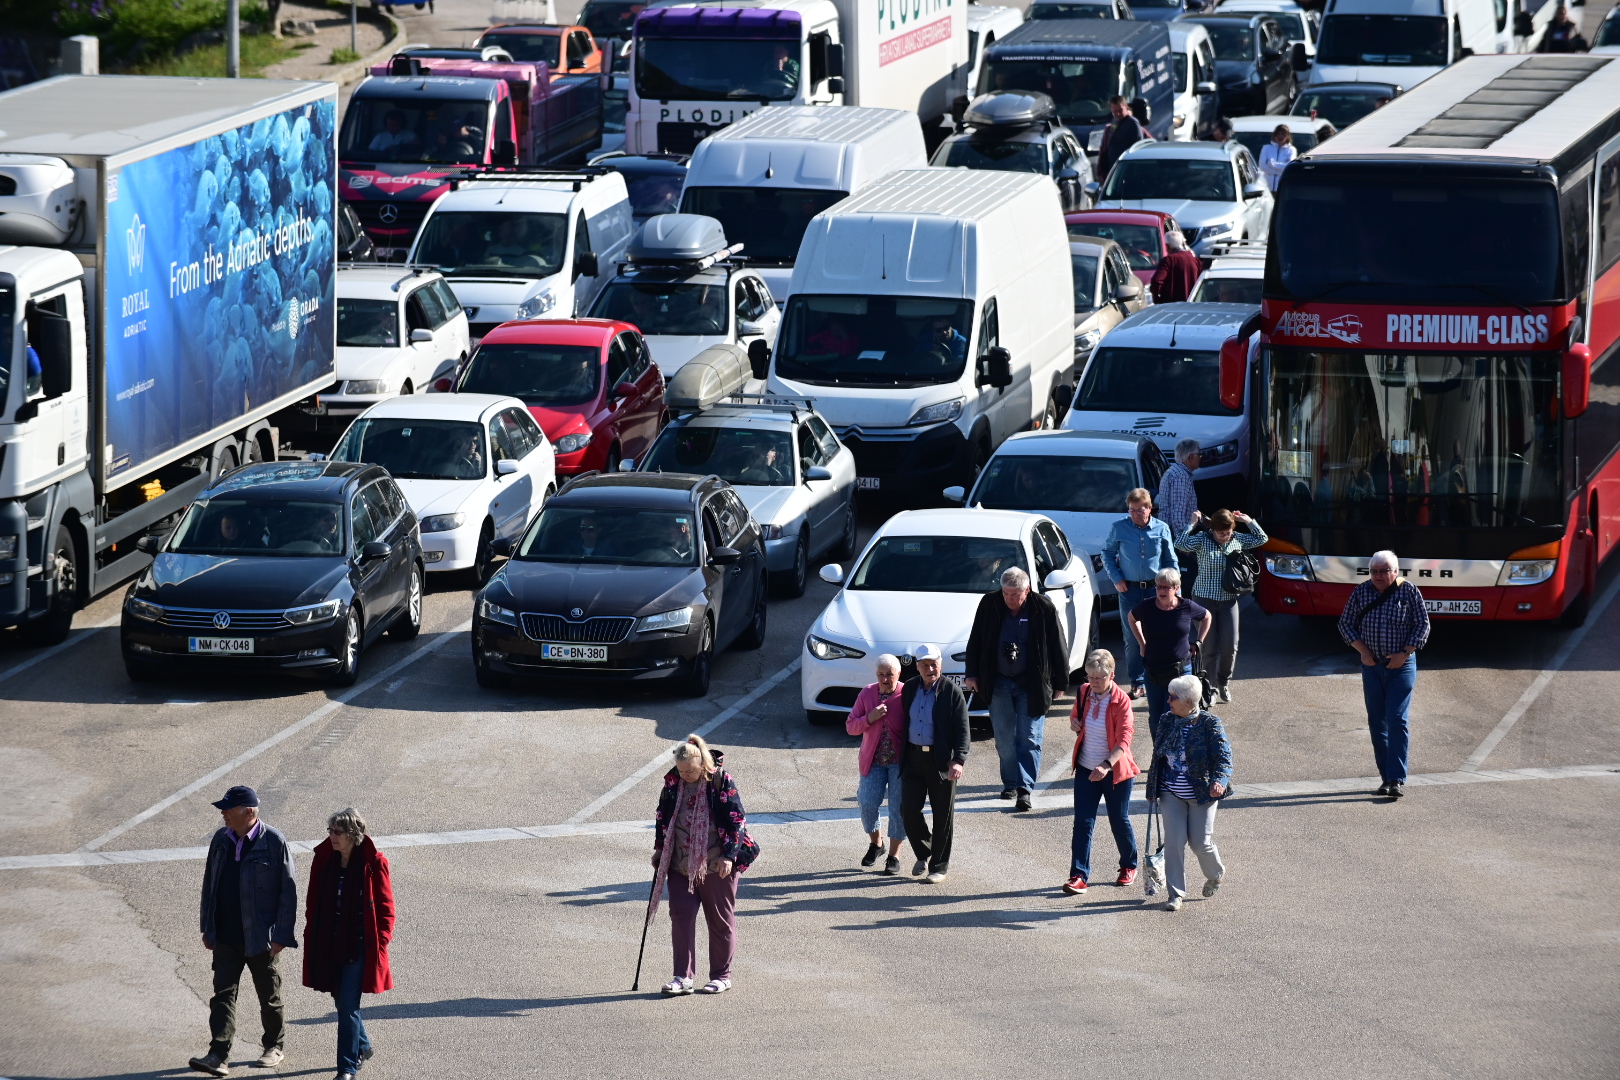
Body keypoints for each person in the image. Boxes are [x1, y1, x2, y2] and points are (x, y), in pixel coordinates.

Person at [190, 786, 297, 1078]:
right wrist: (207, 927)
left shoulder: (274, 842)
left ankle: (274, 1045)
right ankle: (218, 1055)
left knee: (269, 995)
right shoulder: (221, 840)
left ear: (248, 812)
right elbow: (209, 885)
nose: (223, 813)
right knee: (222, 995)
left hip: (261, 937)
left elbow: (288, 892)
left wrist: (281, 935)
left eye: (228, 808)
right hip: (225, 935)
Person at [650, 735, 759, 995]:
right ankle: (682, 977)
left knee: (720, 920)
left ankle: (721, 976)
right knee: (681, 916)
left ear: (702, 763)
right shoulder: (673, 782)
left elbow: (736, 820)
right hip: (679, 863)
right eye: (681, 770)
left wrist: (729, 856)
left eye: (690, 770)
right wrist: (659, 849)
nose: (685, 774)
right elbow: (662, 815)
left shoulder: (720, 781)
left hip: (715, 864)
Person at [964, 566, 1069, 812]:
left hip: (1031, 683)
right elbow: (976, 639)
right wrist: (972, 674)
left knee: (1030, 737)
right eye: (1006, 593)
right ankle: (1010, 782)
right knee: (1003, 737)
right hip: (999, 681)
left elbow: (1057, 644)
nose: (1010, 599)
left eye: (1015, 594)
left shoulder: (1043, 607)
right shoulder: (989, 604)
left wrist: (1061, 682)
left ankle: (1025, 789)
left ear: (1027, 590)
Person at [302, 808, 394, 1080]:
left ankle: (347, 1068)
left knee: (348, 1007)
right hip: (328, 941)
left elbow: (386, 907)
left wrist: (382, 941)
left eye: (337, 832)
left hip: (357, 945)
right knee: (341, 1001)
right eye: (329, 831)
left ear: (353, 835)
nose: (331, 836)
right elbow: (313, 899)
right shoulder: (325, 860)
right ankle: (363, 1046)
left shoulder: (373, 863)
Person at [1338, 550, 1430, 799]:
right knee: (1377, 722)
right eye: (1374, 571)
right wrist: (1363, 651)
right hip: (1372, 666)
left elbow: (1423, 625)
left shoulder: (1409, 591)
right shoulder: (1361, 591)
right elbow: (1345, 623)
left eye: (1384, 571)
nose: (1378, 576)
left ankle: (1396, 778)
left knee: (1397, 720)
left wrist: (1404, 652)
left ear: (1395, 572)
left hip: (1402, 666)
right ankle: (1386, 778)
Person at [1145, 674, 1231, 911]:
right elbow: (1158, 757)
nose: (1169, 701)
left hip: (1202, 794)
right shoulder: (1166, 720)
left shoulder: (1210, 724)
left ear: (1189, 702)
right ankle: (1176, 894)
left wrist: (1219, 781)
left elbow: (1224, 758)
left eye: (1174, 697)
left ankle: (1215, 873)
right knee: (1174, 843)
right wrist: (1152, 787)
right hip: (1171, 792)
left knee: (1200, 843)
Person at [1062, 649, 1139, 895]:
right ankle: (1079, 876)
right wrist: (1074, 723)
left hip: (1114, 771)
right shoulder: (1084, 692)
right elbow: (1077, 718)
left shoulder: (1121, 701)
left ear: (1112, 676)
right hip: (1086, 768)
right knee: (1083, 822)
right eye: (1090, 677)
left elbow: (1125, 739)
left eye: (1099, 678)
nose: (1094, 683)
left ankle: (1129, 865)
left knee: (1119, 820)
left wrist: (1106, 765)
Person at [1176, 509, 1268, 703]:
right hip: (1203, 600)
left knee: (1230, 646)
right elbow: (1180, 543)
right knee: (1209, 648)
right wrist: (1192, 523)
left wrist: (1248, 520)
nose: (1224, 537)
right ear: (1213, 529)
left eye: (1227, 533)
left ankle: (1223, 682)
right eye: (1220, 533)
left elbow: (1262, 538)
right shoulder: (1202, 539)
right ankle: (1209, 688)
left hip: (1229, 600)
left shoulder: (1237, 539)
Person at [899, 644, 971, 884]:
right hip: (912, 758)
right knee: (908, 810)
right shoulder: (909, 689)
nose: (930, 669)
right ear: (917, 667)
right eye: (925, 665)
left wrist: (958, 760)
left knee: (943, 815)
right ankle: (924, 850)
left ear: (941, 664)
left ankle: (938, 866)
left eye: (934, 664)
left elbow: (963, 730)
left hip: (940, 760)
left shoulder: (952, 692)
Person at [1100, 488, 1178, 699]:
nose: (1135, 514)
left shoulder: (1162, 529)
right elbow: (1106, 553)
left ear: (1149, 508)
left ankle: (1160, 678)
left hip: (1156, 590)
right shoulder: (1120, 528)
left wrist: (1174, 587)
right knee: (1132, 639)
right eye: (1131, 510)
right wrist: (1117, 579)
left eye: (1139, 510)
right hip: (1130, 591)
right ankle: (1137, 682)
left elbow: (1171, 560)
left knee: (1159, 635)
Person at [846, 655, 908, 874]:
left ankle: (894, 856)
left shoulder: (906, 693)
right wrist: (869, 718)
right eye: (881, 674)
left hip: (900, 764)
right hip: (873, 762)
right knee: (867, 803)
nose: (885, 679)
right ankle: (877, 844)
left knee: (898, 809)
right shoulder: (867, 693)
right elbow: (851, 726)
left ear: (899, 674)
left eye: (889, 674)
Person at [1128, 567, 1211, 732]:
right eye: (1159, 586)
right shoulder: (1147, 606)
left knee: (1176, 716)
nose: (1161, 591)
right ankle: (1159, 754)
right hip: (1154, 671)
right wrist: (1142, 643)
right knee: (1156, 717)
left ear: (1176, 588)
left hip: (1180, 671)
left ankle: (1177, 755)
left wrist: (1199, 641)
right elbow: (1131, 617)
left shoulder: (1186, 606)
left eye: (1166, 587)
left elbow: (1206, 616)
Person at [1158, 438, 1201, 593]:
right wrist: (1183, 543)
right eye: (1199, 454)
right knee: (1182, 582)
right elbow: (1177, 513)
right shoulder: (1180, 476)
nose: (1200, 458)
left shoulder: (1177, 473)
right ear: (1190, 457)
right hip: (1176, 538)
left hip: (1174, 536)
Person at [1096, 95, 1144, 181]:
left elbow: (1138, 147)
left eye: (1120, 110)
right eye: (1114, 112)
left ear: (1126, 107)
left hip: (1127, 170)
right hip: (1113, 169)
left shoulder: (1132, 124)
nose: (1118, 114)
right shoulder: (1115, 121)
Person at [1149, 230, 1202, 304]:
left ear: (1167, 246)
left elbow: (1156, 281)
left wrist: (1157, 299)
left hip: (1172, 306)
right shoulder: (1195, 260)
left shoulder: (1168, 260)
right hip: (1192, 305)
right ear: (1183, 243)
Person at [1259, 124, 1295, 192]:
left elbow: (1289, 166)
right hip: (1266, 188)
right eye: (1278, 134)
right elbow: (1262, 166)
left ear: (1287, 136)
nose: (1280, 136)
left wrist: (1272, 164)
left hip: (1282, 188)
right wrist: (1279, 172)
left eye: (1283, 134)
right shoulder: (1266, 148)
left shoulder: (1291, 150)